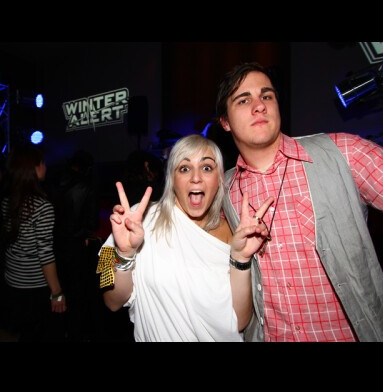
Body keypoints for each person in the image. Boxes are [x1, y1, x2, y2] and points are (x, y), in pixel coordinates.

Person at [216, 61, 383, 342]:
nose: (260, 106)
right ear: (225, 122)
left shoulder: (343, 153)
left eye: (267, 96)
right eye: (243, 100)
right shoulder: (224, 189)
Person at [98, 134, 274, 342]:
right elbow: (110, 301)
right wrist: (124, 253)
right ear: (172, 179)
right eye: (184, 168)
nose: (196, 177)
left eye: (207, 168)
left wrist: (241, 258)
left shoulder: (234, 234)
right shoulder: (138, 219)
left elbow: (240, 322)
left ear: (219, 179)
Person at [0, 144, 66, 342]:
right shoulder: (42, 206)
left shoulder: (8, 200)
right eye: (42, 163)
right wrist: (57, 292)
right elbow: (45, 254)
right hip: (35, 286)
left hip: (12, 281)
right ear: (33, 169)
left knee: (24, 333)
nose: (45, 166)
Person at [46, 149, 99, 341]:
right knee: (78, 294)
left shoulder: (51, 183)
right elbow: (92, 223)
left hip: (53, 244)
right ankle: (76, 333)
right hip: (77, 247)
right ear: (87, 167)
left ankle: (59, 331)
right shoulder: (87, 186)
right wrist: (86, 232)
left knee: (58, 289)